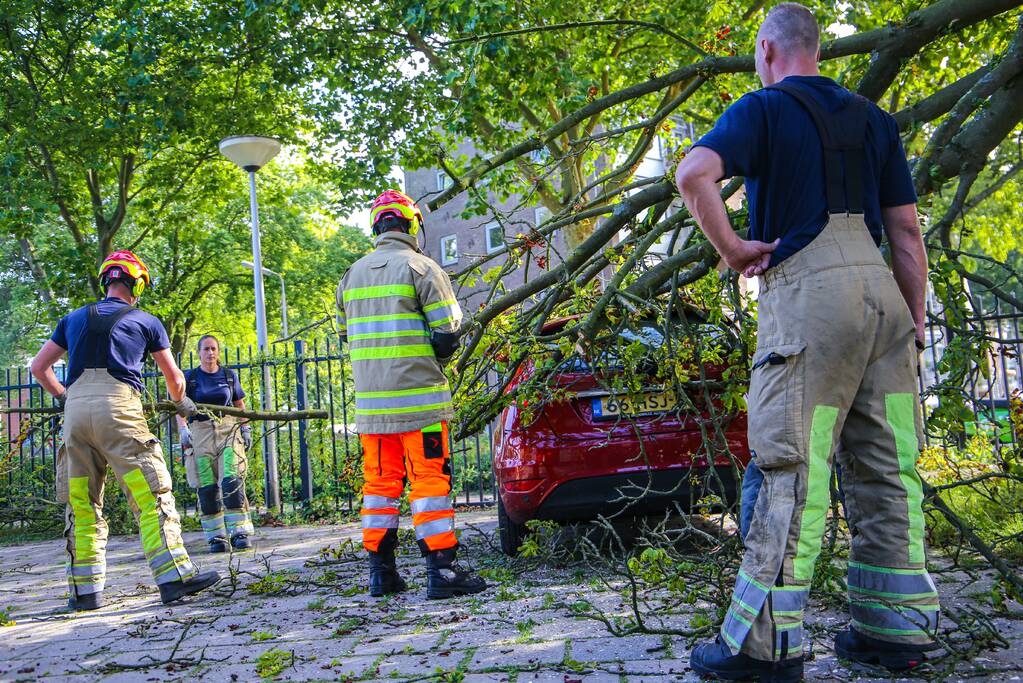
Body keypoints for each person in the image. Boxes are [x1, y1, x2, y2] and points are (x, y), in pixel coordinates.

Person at [674, 4, 938, 681]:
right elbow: (905, 234)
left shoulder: (762, 109)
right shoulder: (873, 119)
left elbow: (692, 174)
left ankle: (763, 648)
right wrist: (910, 325)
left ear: (766, 50)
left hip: (810, 298)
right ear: (815, 50)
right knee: (889, 469)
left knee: (790, 466)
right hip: (882, 297)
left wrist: (732, 249)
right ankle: (897, 631)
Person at [30, 250, 220, 610]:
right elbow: (174, 377)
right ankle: (174, 578)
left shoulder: (71, 319)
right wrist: (181, 403)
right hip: (118, 412)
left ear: (107, 282)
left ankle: (84, 592)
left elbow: (39, 367)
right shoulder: (145, 320)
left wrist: (64, 397)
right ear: (137, 284)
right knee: (150, 496)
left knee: (82, 504)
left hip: (75, 416)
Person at [335, 189, 486, 599]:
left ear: (377, 227)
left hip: (372, 411)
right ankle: (443, 572)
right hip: (419, 405)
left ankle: (381, 574)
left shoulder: (350, 276)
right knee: (429, 483)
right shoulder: (423, 268)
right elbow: (448, 333)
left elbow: (346, 335)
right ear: (412, 225)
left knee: (380, 487)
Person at [175, 334, 254, 553]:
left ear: (218, 352)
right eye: (206, 349)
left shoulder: (229, 376)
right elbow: (179, 406)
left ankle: (239, 533)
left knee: (231, 480)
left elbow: (239, 404)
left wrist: (245, 428)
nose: (210, 353)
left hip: (227, 430)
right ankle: (216, 537)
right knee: (207, 486)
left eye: (213, 349)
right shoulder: (190, 378)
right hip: (200, 434)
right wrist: (183, 429)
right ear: (199, 352)